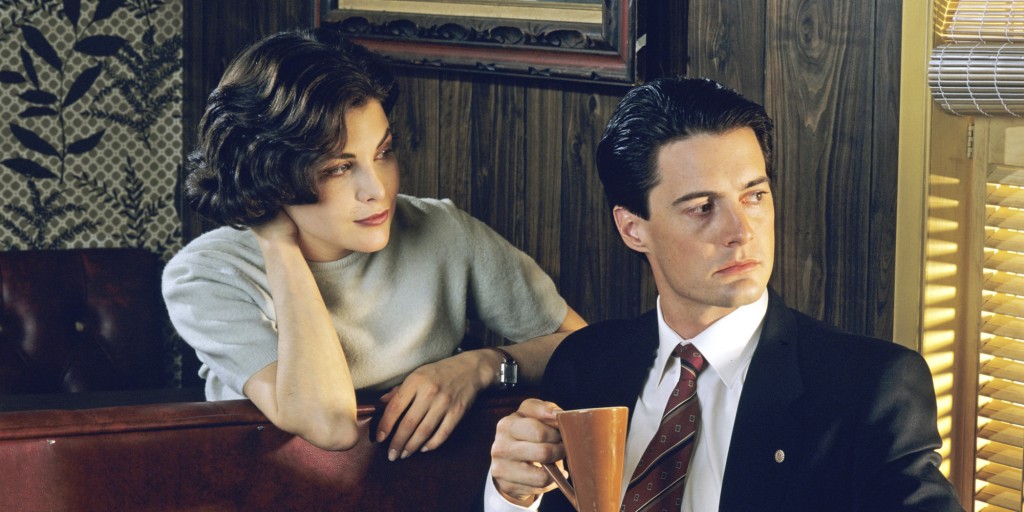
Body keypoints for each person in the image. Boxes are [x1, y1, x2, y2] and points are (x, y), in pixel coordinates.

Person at [484, 77, 961, 511]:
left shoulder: (869, 389)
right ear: (632, 229)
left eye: (754, 196)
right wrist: (511, 497)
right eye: (702, 207)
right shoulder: (584, 366)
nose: (741, 231)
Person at [162, 28, 585, 458]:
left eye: (383, 152)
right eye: (339, 168)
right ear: (270, 174)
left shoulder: (443, 231)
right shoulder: (205, 277)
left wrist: (481, 365)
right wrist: (279, 246)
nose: (377, 190)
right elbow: (329, 425)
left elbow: (586, 350)